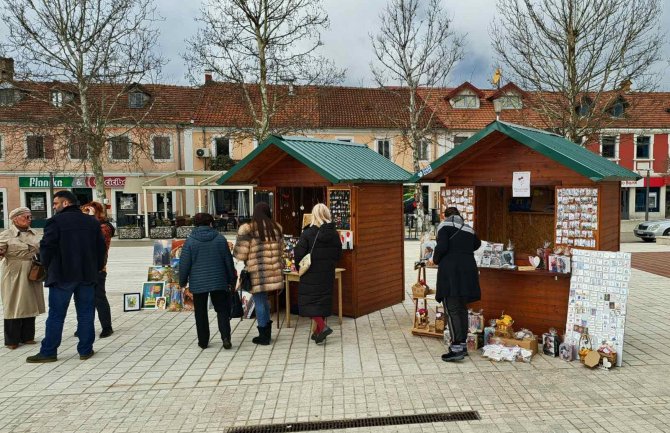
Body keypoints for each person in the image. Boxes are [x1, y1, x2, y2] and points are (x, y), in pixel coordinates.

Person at [26, 190, 105, 363]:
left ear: (65, 203)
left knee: (56, 315)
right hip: (87, 275)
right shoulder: (91, 222)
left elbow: (46, 247)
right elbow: (101, 248)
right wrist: (97, 268)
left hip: (62, 275)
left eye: (55, 204)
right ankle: (85, 350)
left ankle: (49, 352)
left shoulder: (54, 222)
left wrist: (46, 266)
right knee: (86, 313)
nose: (54, 207)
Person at [179, 213, 237, 350]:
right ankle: (226, 338)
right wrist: (231, 279)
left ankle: (203, 341)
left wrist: (182, 282)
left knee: (200, 312)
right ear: (211, 223)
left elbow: (184, 264)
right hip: (219, 280)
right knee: (222, 310)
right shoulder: (220, 239)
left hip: (198, 283)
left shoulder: (190, 241)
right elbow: (228, 261)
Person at [433, 207, 481, 362]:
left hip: (451, 272)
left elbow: (442, 247)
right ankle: (463, 345)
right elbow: (477, 244)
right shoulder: (469, 229)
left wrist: (435, 259)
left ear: (445, 215)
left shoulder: (444, 226)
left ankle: (456, 349)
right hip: (468, 270)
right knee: (461, 309)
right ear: (460, 216)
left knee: (452, 309)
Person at [233, 202, 284, 345]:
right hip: (273, 273)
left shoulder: (248, 229)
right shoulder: (277, 229)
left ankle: (264, 335)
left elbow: (240, 255)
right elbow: (281, 251)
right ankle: (266, 331)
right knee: (265, 301)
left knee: (260, 301)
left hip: (257, 274)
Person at [294, 203, 342, 344]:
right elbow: (338, 254)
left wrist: (299, 267)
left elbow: (299, 253)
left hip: (310, 274)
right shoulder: (334, 233)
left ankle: (323, 327)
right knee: (321, 302)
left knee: (308, 303)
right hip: (327, 274)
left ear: (313, 215)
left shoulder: (308, 233)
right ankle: (317, 333)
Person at [0, 207, 45, 349]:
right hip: (13, 271)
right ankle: (12, 339)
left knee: (30, 302)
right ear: (15, 219)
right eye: (26, 217)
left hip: (32, 270)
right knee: (14, 304)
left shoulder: (35, 233)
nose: (29, 219)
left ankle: (27, 336)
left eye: (30, 217)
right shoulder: (6, 234)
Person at [80, 201, 115, 338]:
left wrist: (90, 219)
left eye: (88, 211)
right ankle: (83, 326)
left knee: (99, 297)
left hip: (98, 267)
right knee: (82, 299)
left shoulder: (104, 227)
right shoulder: (85, 226)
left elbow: (97, 241)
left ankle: (107, 326)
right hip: (82, 267)